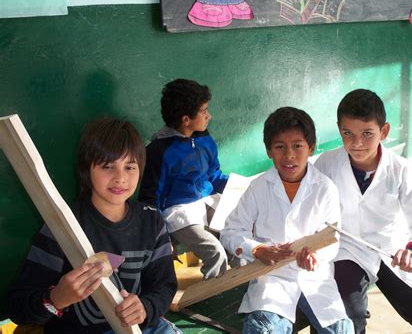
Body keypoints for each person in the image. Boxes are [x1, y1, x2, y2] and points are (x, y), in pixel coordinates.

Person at [8, 118, 180, 334]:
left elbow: (163, 287)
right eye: (108, 166)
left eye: (129, 167)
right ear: (86, 170)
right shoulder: (60, 227)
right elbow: (19, 307)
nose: (120, 178)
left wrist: (145, 308)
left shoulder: (151, 221)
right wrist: (56, 298)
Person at [314, 89, 412, 334]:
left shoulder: (400, 169)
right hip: (346, 250)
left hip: (392, 250)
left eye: (367, 133)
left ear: (383, 132)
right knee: (346, 322)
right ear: (339, 129)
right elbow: (310, 213)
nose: (356, 143)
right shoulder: (325, 165)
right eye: (348, 133)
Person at [220, 107, 354, 333]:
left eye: (297, 146)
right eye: (280, 147)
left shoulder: (324, 188)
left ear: (311, 148)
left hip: (314, 278)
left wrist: (315, 256)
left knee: (341, 330)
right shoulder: (259, 187)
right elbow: (231, 231)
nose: (289, 155)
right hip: (273, 278)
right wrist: (258, 249)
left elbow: (333, 238)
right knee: (262, 329)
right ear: (269, 150)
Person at [138, 79, 228, 280]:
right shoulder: (159, 152)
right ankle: (211, 295)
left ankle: (242, 281)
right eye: (204, 111)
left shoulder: (203, 137)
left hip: (206, 200)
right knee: (216, 253)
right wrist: (161, 237)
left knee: (238, 230)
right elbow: (151, 198)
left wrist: (238, 186)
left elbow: (214, 175)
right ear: (186, 119)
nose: (209, 115)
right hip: (179, 214)